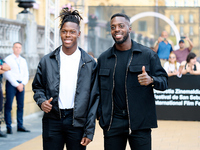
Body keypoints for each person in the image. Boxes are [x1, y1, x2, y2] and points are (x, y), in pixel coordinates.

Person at [97, 13, 168, 150]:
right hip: (113, 123)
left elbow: (164, 81)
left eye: (121, 26)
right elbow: (97, 89)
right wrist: (101, 114)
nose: (117, 29)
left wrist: (151, 80)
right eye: (113, 27)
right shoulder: (104, 58)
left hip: (140, 122)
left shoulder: (148, 55)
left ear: (130, 28)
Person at [32, 9, 98, 150]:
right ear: (60, 32)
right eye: (64, 31)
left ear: (78, 34)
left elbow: (94, 99)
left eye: (72, 32)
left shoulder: (90, 63)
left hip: (78, 123)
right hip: (52, 120)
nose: (68, 35)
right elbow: (37, 87)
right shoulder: (47, 61)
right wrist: (42, 101)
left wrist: (89, 130)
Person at [4, 42, 29, 134]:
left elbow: (26, 73)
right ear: (13, 48)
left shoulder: (23, 60)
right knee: (9, 105)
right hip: (11, 84)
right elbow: (7, 73)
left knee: (20, 106)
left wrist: (22, 83)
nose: (18, 49)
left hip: (21, 84)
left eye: (19, 47)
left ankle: (20, 125)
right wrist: (16, 84)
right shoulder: (8, 59)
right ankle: (8, 126)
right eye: (16, 47)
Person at [0, 58, 10, 137]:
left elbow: (8, 67)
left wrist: (1, 68)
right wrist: (2, 67)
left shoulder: (0, 59)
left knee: (0, 107)